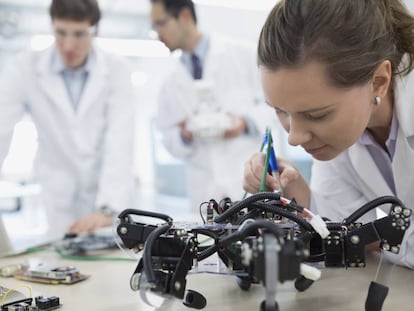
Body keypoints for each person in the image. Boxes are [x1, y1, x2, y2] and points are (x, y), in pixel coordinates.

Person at [243, 0, 414, 268]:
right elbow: (345, 229)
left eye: (316, 115)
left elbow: (368, 239)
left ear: (378, 81)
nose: (294, 137)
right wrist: (296, 196)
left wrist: (379, 238)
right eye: (281, 111)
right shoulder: (341, 135)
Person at [0, 0, 135, 234]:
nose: (68, 45)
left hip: (105, 195)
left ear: (96, 31)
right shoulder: (25, 68)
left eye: (79, 34)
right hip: (58, 196)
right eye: (60, 33)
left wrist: (107, 208)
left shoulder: (116, 70)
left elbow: (120, 140)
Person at [150, 0, 272, 209]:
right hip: (204, 190)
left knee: (255, 235)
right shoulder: (169, 83)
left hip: (247, 178)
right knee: (207, 239)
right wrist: (184, 135)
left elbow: (276, 106)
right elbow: (167, 136)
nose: (157, 33)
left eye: (161, 24)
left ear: (185, 17)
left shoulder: (242, 55)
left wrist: (244, 122)